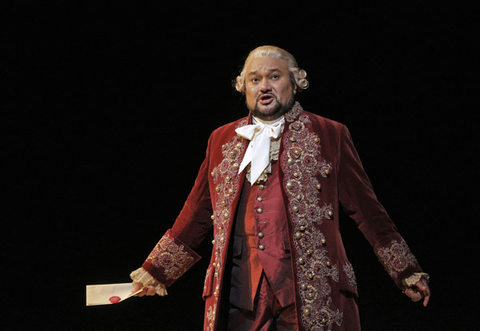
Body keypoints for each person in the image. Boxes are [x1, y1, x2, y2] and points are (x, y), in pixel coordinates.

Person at [130, 45, 430, 331]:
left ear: (295, 82)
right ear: (243, 87)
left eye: (274, 76)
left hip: (312, 288)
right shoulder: (221, 139)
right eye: (255, 79)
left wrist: (404, 270)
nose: (264, 86)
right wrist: (156, 271)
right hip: (239, 290)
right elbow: (197, 211)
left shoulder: (330, 133)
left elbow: (366, 209)